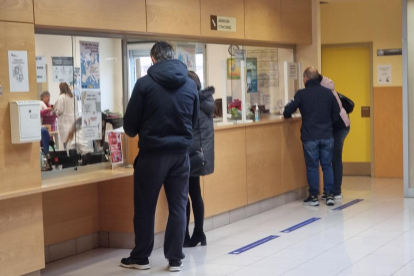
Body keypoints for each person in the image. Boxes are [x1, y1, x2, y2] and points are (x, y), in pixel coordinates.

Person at [121, 41, 199, 272]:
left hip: (152, 155)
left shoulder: (144, 84)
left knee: (145, 206)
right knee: (178, 206)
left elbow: (130, 127)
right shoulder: (190, 85)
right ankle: (175, 258)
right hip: (180, 156)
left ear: (153, 59)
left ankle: (141, 257)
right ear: (173, 57)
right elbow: (193, 123)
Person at [283, 67, 340, 207]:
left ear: (305, 79)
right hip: (327, 135)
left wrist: (287, 115)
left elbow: (288, 111)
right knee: (327, 165)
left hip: (310, 136)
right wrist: (329, 124)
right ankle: (329, 195)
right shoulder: (328, 93)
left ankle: (314, 197)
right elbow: (336, 112)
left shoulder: (302, 94)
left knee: (312, 167)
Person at [184, 72, 215, 248]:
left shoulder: (192, 103)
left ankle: (186, 235)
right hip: (199, 154)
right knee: (195, 193)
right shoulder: (207, 102)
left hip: (190, 154)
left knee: (184, 195)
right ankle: (199, 232)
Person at [319, 75, 351, 199]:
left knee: (335, 158)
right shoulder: (327, 86)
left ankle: (336, 190)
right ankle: (331, 189)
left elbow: (332, 113)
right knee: (332, 158)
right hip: (339, 125)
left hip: (339, 127)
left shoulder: (325, 91)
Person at [55, 82, 75, 148]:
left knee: (66, 142)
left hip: (64, 122)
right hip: (73, 121)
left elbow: (59, 110)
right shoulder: (73, 97)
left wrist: (56, 112)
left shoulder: (61, 97)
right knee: (72, 142)